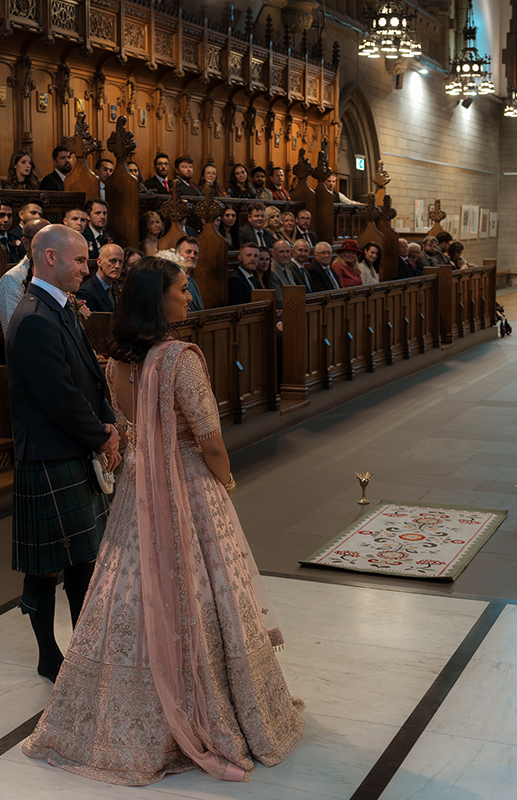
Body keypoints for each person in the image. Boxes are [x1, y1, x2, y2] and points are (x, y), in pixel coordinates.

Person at [21, 255, 305, 784]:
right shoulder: (179, 358)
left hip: (138, 487)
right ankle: (217, 706)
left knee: (128, 586)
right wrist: (225, 480)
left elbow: (127, 429)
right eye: (181, 289)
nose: (189, 297)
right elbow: (210, 436)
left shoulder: (116, 362)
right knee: (205, 589)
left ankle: (115, 711)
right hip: (187, 484)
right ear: (158, 299)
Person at [5, 223, 121, 683]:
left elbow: (88, 373)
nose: (85, 269)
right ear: (50, 258)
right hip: (49, 454)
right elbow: (59, 396)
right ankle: (49, 655)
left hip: (69, 445)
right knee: (46, 566)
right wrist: (102, 437)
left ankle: (84, 644)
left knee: (80, 559)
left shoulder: (60, 307)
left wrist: (107, 417)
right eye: (78, 260)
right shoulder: (33, 317)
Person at [0, 218, 51, 335]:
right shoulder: (11, 279)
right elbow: (13, 331)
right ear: (26, 243)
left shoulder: (56, 273)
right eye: (42, 241)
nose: (50, 247)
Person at [77, 242, 123, 314]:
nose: (118, 266)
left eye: (120, 262)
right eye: (113, 261)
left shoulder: (113, 287)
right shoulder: (86, 292)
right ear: (99, 262)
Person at [174, 236, 204, 312]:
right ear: (176, 253)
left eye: (195, 253)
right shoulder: (172, 282)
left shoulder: (193, 282)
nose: (193, 256)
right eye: (188, 252)